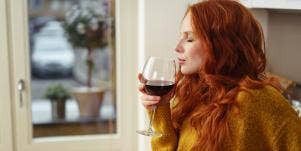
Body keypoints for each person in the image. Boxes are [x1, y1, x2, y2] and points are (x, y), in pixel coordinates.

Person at [138, 0, 301, 151]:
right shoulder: (194, 94)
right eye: (181, 36)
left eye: (190, 39)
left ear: (221, 44)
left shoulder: (257, 100)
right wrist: (160, 108)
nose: (177, 47)